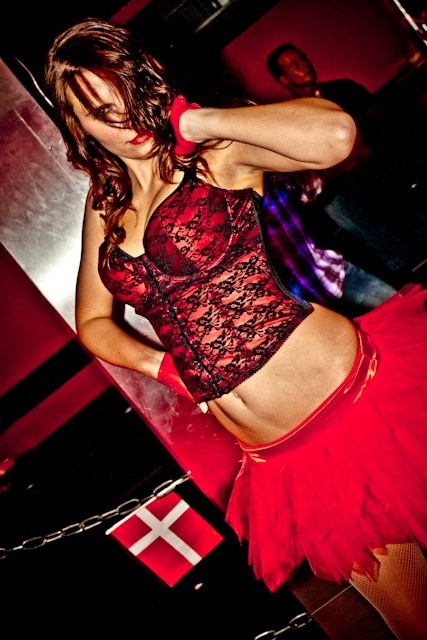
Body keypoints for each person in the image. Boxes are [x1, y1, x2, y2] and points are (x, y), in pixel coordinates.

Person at [45, 19, 427, 639]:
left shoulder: (215, 151)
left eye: (130, 96)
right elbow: (92, 321)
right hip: (284, 456)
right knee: (411, 620)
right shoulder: (104, 204)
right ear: (78, 123)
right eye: (102, 113)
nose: (127, 121)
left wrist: (195, 121)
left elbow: (336, 134)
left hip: (356, 404)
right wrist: (164, 367)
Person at [266, 43, 417, 279]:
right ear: (283, 79)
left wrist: (366, 151)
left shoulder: (343, 89)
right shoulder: (293, 118)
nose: (304, 64)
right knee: (334, 206)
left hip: (376, 163)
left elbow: (379, 123)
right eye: (294, 65)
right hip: (343, 181)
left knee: (382, 179)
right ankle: (400, 263)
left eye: (303, 58)